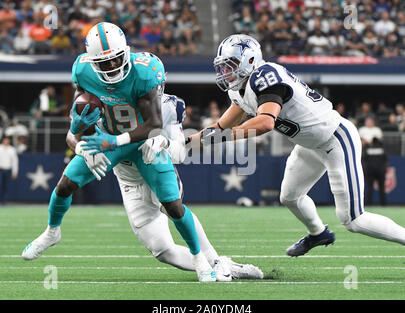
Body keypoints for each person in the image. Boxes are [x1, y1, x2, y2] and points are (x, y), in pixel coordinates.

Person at [22, 22, 216, 282]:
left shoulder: (145, 72)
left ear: (126, 52)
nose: (112, 67)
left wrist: (114, 142)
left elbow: (154, 125)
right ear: (92, 63)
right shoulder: (82, 70)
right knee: (66, 183)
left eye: (115, 60)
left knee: (172, 203)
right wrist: (83, 146)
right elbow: (78, 121)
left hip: (142, 142)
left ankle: (199, 257)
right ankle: (52, 231)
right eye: (104, 63)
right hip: (107, 138)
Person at [189, 34, 405, 257]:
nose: (225, 72)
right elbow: (221, 126)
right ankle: (318, 233)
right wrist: (185, 142)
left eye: (230, 65)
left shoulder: (265, 76)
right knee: (290, 197)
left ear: (250, 61)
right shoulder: (239, 89)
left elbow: (264, 122)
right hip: (309, 145)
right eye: (223, 67)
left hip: (335, 138)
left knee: (353, 219)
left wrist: (222, 137)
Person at [110, 89, 263, 280]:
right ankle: (223, 265)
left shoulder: (169, 106)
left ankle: (215, 262)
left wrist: (165, 142)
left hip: (157, 170)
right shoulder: (105, 101)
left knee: (174, 209)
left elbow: (180, 154)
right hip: (129, 182)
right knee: (162, 251)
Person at [362, 138, 387, 206]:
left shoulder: (368, 149)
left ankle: (369, 204)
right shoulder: (382, 148)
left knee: (370, 188)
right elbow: (385, 160)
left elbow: (364, 159)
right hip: (380, 171)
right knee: (382, 188)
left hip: (370, 171)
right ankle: (383, 204)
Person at [0, 136, 18, 205]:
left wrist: (15, 172)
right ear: (3, 140)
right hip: (0, 170)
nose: (6, 141)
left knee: (6, 186)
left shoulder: (12, 149)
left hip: (8, 170)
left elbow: (15, 161)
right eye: (5, 140)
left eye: (8, 140)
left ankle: (4, 201)